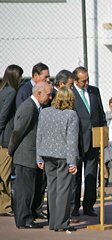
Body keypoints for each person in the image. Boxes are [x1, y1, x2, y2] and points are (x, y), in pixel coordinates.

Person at [7, 82, 52, 229]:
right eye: (48, 94)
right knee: (25, 189)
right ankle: (24, 219)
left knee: (31, 188)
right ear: (39, 93)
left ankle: (29, 215)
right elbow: (18, 131)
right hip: (26, 155)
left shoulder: (36, 107)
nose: (50, 97)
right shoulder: (28, 108)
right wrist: (11, 149)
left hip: (31, 154)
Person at [36, 87, 79, 232]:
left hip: (47, 154)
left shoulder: (45, 112)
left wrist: (38, 157)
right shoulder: (71, 114)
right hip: (64, 156)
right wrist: (73, 161)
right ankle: (62, 223)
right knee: (64, 190)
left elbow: (39, 134)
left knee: (52, 188)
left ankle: (53, 222)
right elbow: (72, 140)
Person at [71, 66, 106, 217]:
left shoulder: (94, 91)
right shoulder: (70, 94)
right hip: (77, 141)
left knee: (91, 174)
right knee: (76, 176)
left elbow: (101, 114)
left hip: (94, 140)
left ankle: (89, 206)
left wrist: (103, 134)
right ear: (75, 81)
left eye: (87, 80)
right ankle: (74, 206)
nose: (86, 83)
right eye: (83, 81)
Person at [0, 65, 23, 216]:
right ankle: (6, 206)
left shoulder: (2, 90)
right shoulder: (12, 92)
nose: (21, 79)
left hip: (3, 137)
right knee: (5, 173)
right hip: (6, 139)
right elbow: (4, 114)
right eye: (20, 76)